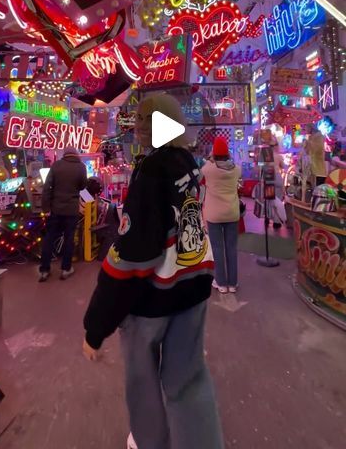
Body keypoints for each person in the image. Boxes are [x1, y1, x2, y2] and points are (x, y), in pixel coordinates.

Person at [83, 93, 225, 449]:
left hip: (151, 299)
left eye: (142, 122)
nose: (137, 128)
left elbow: (133, 256)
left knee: (142, 382)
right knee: (188, 378)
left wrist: (96, 326)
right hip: (193, 285)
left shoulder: (151, 171)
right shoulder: (187, 162)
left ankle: (149, 441)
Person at [39, 146, 87, 282]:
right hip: (71, 209)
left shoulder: (56, 165)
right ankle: (66, 269)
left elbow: (47, 187)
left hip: (55, 209)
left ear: (64, 154)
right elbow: (83, 185)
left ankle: (44, 270)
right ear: (76, 154)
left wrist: (45, 208)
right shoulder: (81, 167)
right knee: (69, 239)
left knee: (49, 238)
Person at [202, 136, 241, 294]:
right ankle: (232, 283)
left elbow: (203, 170)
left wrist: (211, 158)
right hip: (232, 213)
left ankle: (221, 282)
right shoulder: (236, 169)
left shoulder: (208, 169)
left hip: (214, 215)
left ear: (214, 153)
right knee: (231, 248)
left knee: (217, 248)